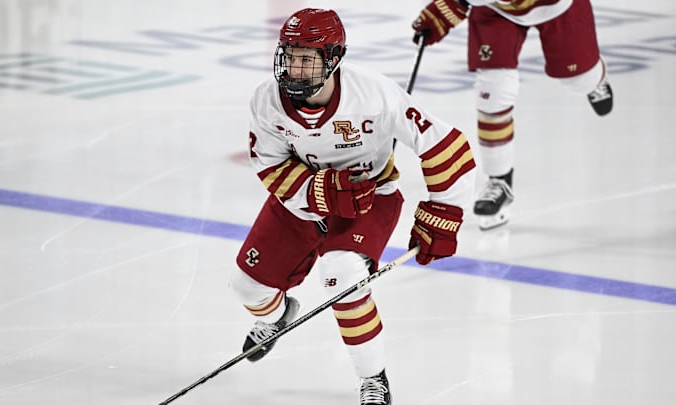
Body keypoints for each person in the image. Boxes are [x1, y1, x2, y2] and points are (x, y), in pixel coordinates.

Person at [229, 8, 475, 405]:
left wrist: (446, 212)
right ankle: (275, 318)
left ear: (334, 59)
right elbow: (270, 164)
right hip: (302, 201)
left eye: (307, 58)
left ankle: (373, 379)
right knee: (246, 286)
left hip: (369, 198)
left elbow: (448, 146)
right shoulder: (267, 100)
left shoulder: (374, 94)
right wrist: (318, 192)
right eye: (290, 55)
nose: (295, 67)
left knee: (342, 278)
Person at [411, 0, 614, 230]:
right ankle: (500, 181)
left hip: (556, 6)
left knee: (580, 80)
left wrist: (446, 9)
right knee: (492, 91)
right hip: (496, 10)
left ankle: (594, 80)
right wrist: (440, 13)